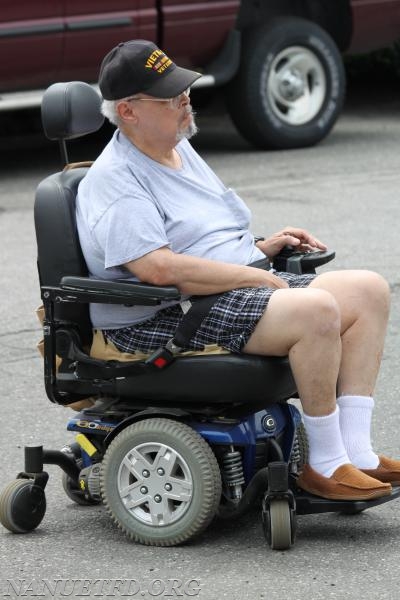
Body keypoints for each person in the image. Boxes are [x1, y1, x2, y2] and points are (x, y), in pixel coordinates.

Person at [76, 39, 400, 501]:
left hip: (217, 290)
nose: (185, 99)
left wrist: (262, 248)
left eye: (182, 88)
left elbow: (206, 236)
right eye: (170, 96)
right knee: (316, 311)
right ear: (129, 111)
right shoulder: (115, 180)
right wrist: (252, 275)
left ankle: (357, 453)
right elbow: (156, 268)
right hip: (163, 316)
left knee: (368, 291)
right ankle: (323, 464)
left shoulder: (175, 147)